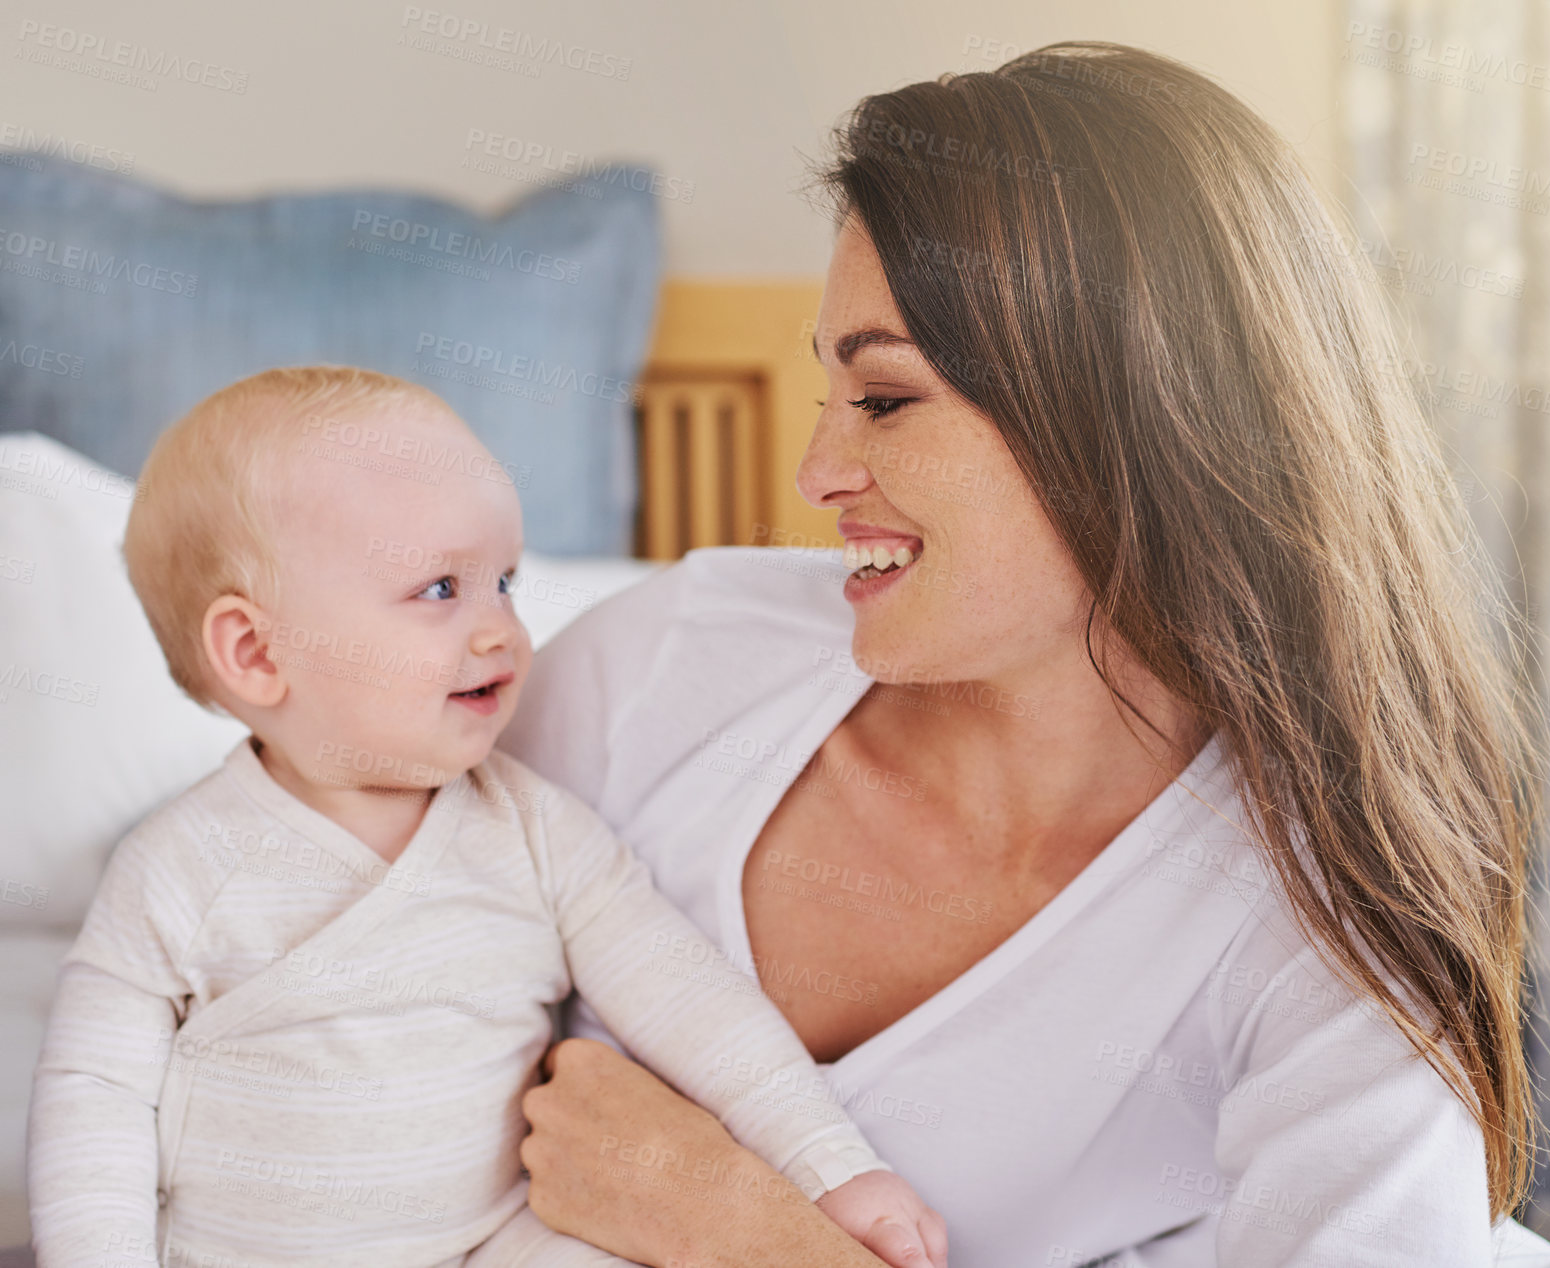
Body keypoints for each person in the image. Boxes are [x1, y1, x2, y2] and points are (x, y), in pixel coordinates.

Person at [496, 40, 1550, 1267]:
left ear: (1127, 411)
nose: (814, 475)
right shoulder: (661, 668)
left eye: (886, 399)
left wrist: (740, 1230)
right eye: (828, 396)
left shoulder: (1323, 913)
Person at [25, 367, 947, 1268]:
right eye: (440, 590)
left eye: (503, 580)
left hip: (495, 1240)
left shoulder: (535, 832)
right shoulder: (177, 868)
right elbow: (93, 1103)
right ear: (257, 651)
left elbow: (696, 1007)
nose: (501, 627)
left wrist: (830, 1166)